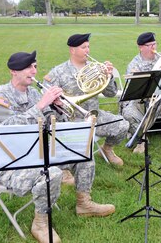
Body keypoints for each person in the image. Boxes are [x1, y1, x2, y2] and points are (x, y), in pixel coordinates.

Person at [0, 51, 116, 243]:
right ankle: (41, 223)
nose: (33, 71)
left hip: (38, 151)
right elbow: (4, 128)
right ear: (13, 71)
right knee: (51, 174)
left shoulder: (34, 93)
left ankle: (84, 203)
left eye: (34, 66)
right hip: (9, 161)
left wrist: (58, 107)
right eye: (28, 67)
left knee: (84, 153)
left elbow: (52, 123)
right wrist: (40, 105)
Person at [44, 33, 129, 166]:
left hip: (94, 115)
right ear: (72, 50)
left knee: (123, 125)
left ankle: (107, 149)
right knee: (67, 143)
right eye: (84, 47)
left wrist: (109, 76)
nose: (88, 50)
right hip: (71, 120)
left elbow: (111, 94)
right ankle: (64, 168)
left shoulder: (96, 68)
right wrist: (57, 101)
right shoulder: (58, 72)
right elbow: (46, 96)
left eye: (88, 47)